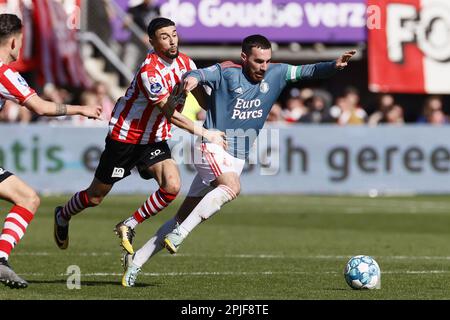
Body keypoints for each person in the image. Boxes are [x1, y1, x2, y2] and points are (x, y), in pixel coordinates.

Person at [120, 34, 356, 286]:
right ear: (244, 58)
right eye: (258, 61)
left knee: (182, 215)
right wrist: (190, 80)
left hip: (237, 157)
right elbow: (199, 74)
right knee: (231, 188)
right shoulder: (227, 71)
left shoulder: (277, 73)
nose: (263, 67)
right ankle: (181, 234)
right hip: (212, 144)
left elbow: (308, 70)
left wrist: (333, 65)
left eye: (267, 61)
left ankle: (136, 263)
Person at [53, 18, 225, 256]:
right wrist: (206, 133)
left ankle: (129, 224)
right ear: (152, 41)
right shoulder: (149, 72)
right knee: (94, 197)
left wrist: (223, 111)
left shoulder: (186, 63)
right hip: (126, 137)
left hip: (154, 138)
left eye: (174, 34)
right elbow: (171, 114)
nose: (172, 40)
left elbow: (203, 100)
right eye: (164, 37)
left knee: (172, 186)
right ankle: (63, 214)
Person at [0, 14, 102, 289]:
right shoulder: (5, 74)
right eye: (20, 41)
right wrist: (80, 108)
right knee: (28, 199)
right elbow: (41, 107)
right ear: (12, 42)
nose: (21, 46)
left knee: (27, 198)